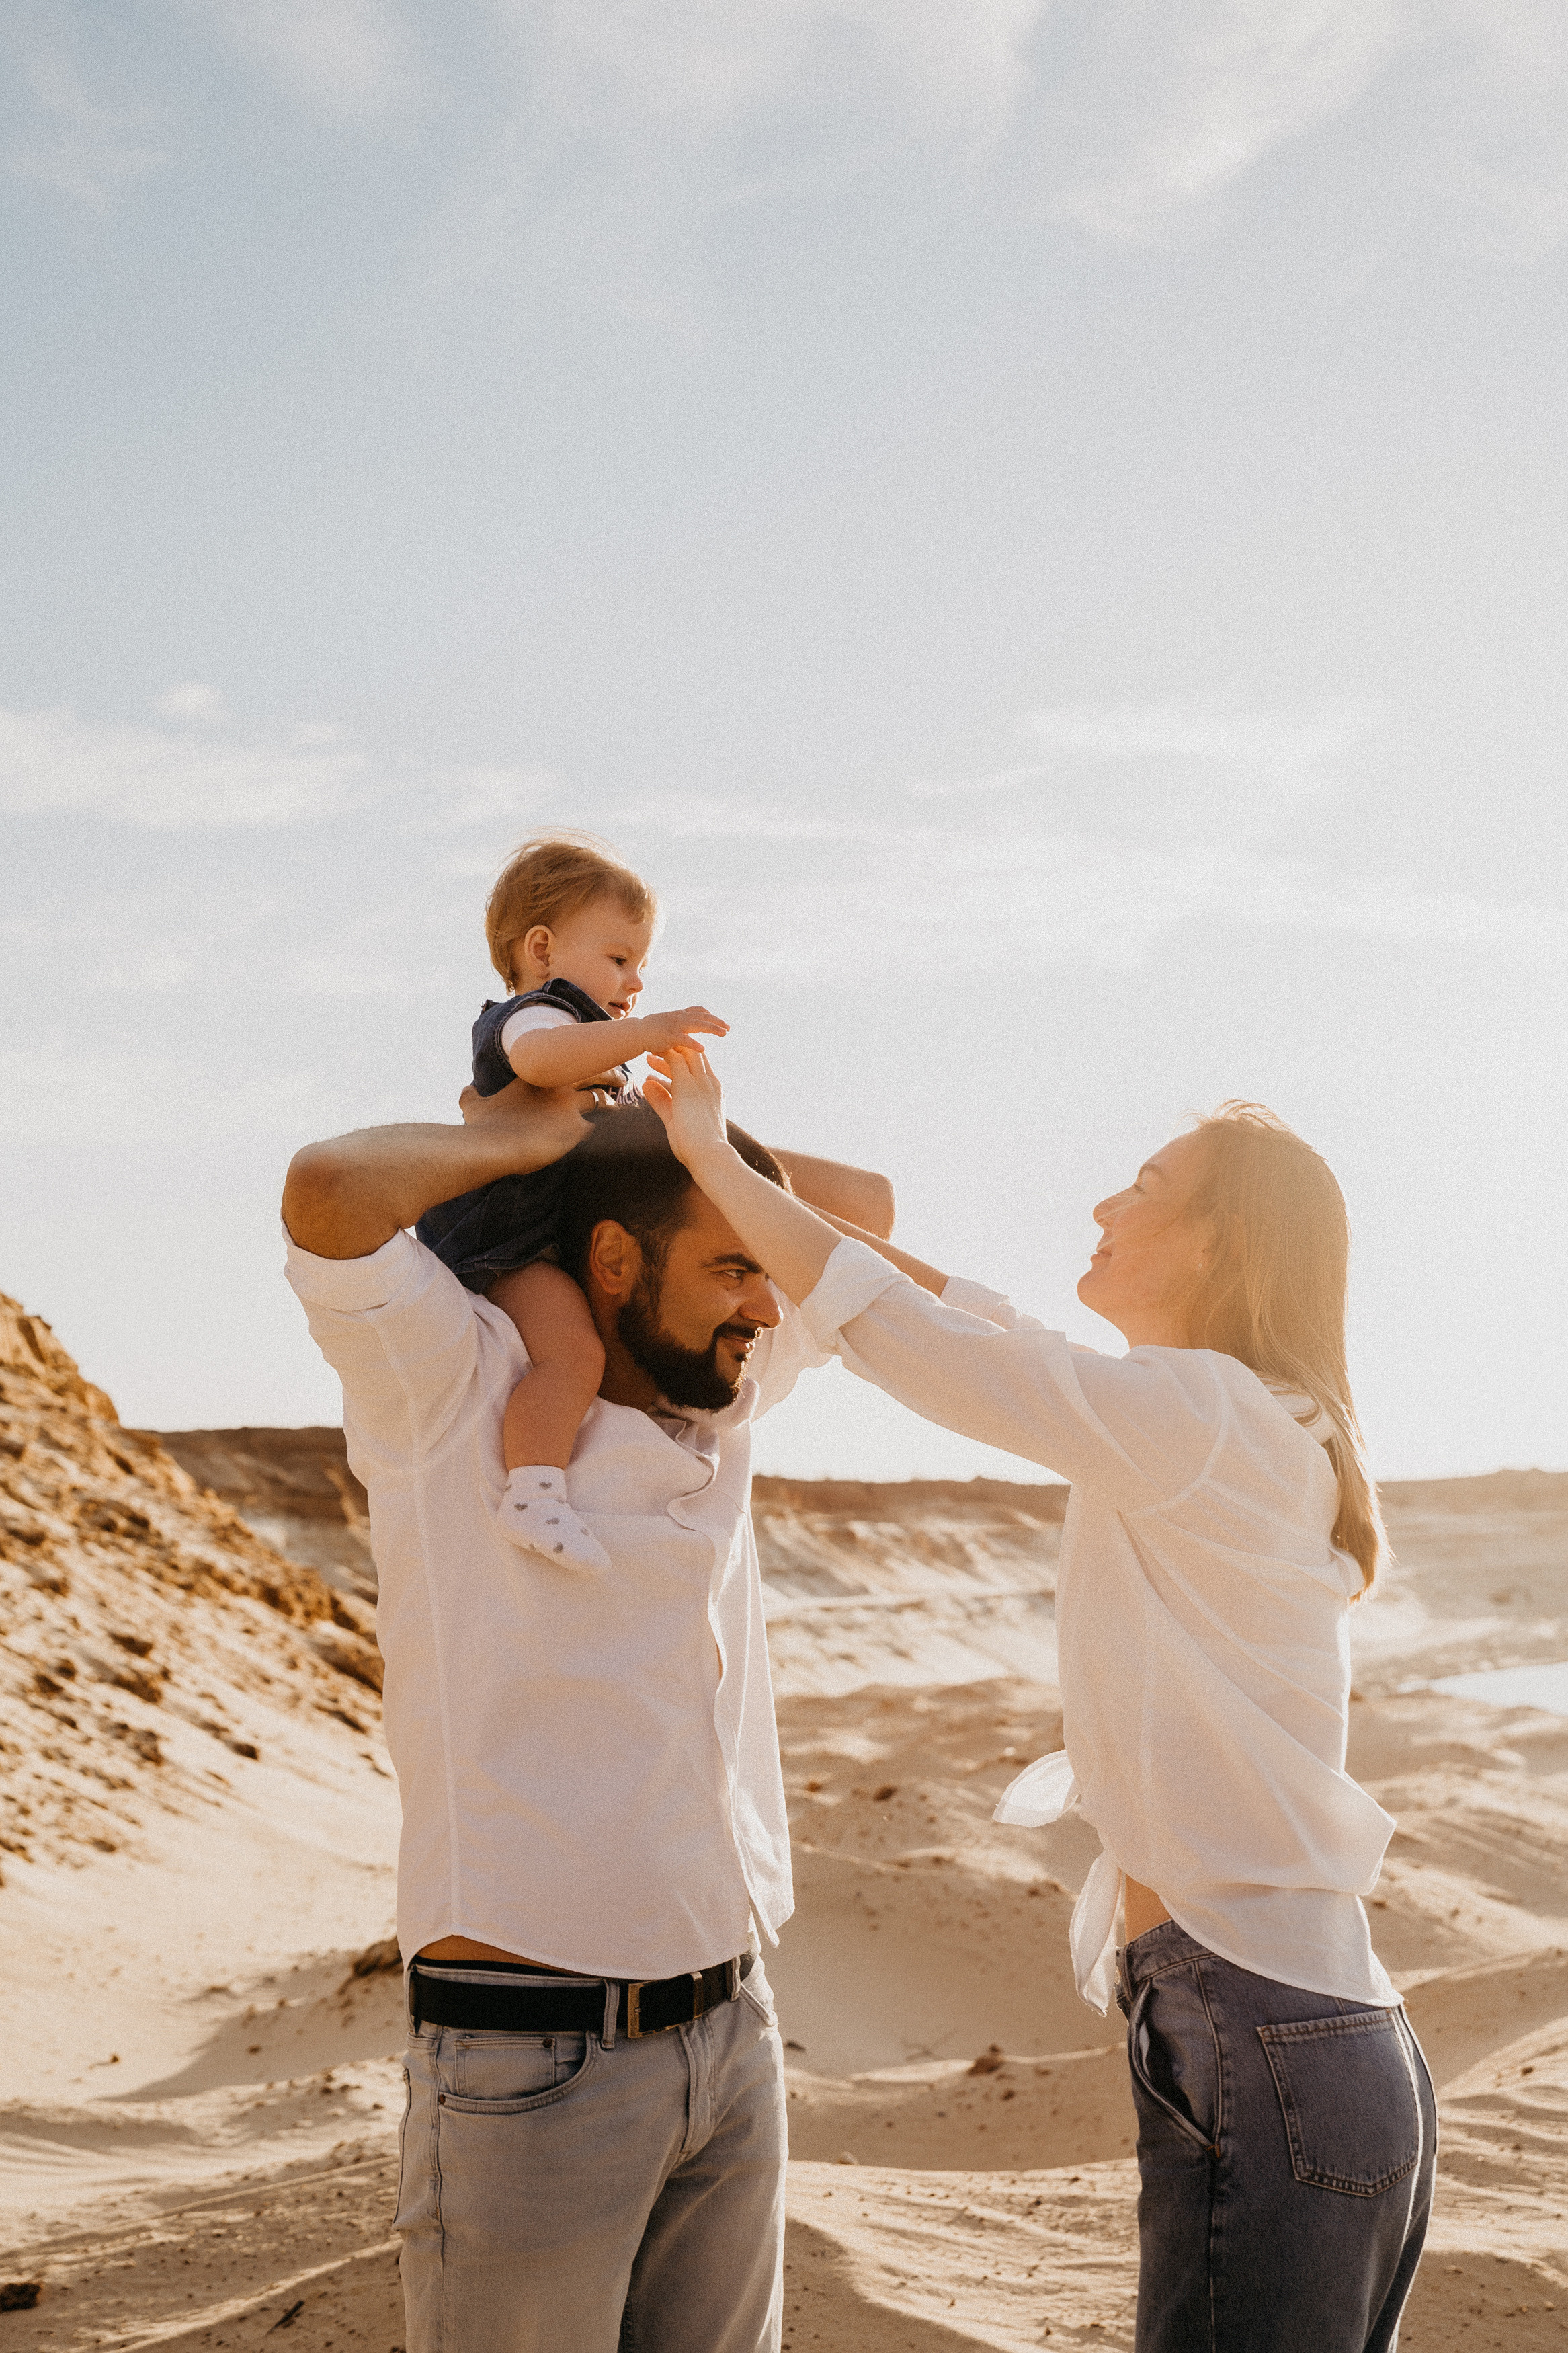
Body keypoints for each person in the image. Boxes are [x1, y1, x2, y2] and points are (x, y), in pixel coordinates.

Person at [641, 1048, 1436, 2353]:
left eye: (1141, 1185)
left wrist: (712, 1165)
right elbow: (965, 1317)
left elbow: (921, 1347)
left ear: (1220, 1240)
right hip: (1299, 2039)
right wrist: (744, 1180)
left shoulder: (1205, 1419)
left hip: (1264, 2036)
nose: (1100, 1209)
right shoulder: (1227, 1419)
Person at [280, 1081, 893, 2353]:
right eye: (731, 1267)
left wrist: (683, 1130)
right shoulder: (452, 1386)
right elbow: (329, 1195)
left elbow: (871, 1211)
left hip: (734, 2037)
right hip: (532, 2065)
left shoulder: (724, 1385)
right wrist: (530, 1138)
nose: (765, 1306)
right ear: (612, 1261)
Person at [415, 832, 731, 1573]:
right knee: (573, 1353)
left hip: (546, 1231)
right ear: (543, 948)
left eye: (642, 965)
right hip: (504, 1241)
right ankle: (532, 1491)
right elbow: (538, 1062)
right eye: (620, 958)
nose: (636, 981)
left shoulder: (588, 1039)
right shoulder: (535, 1015)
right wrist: (645, 1031)